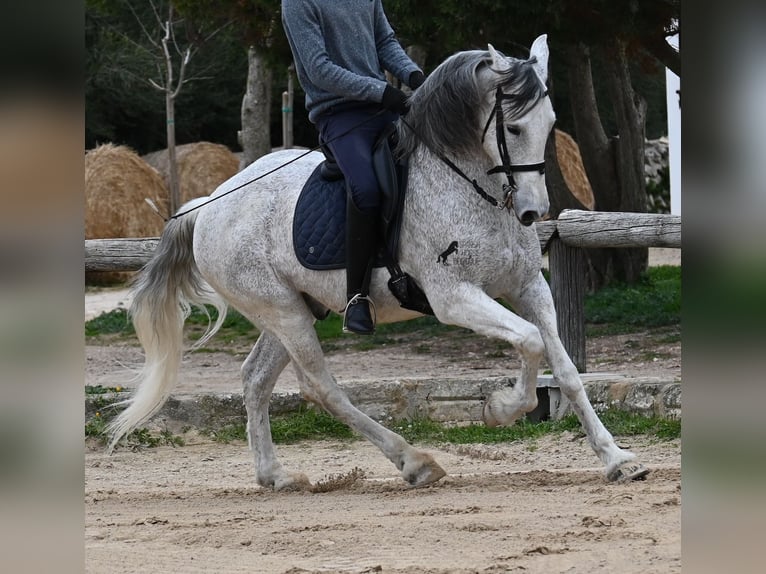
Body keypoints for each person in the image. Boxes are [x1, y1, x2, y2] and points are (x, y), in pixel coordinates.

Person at [281, 0, 425, 335]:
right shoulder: (298, 4)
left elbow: (385, 42)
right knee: (367, 189)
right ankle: (357, 298)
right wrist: (381, 90)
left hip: (382, 109)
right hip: (339, 116)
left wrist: (413, 74)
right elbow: (320, 70)